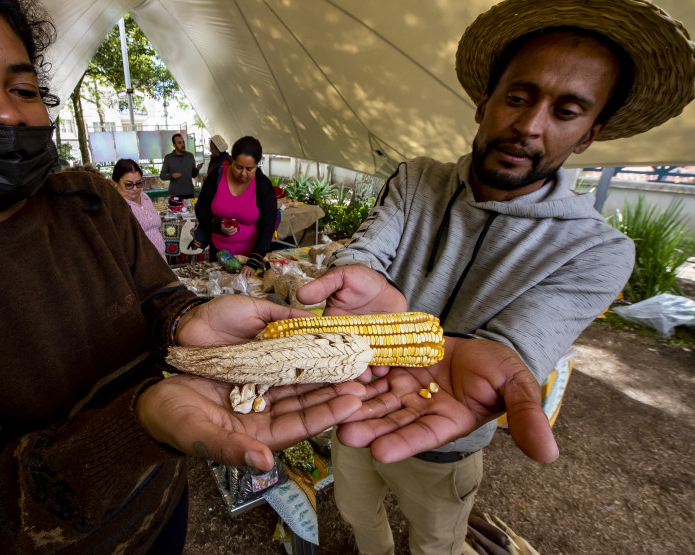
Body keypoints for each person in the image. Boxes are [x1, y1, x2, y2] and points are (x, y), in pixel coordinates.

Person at [0, 1, 371, 552]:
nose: (7, 112)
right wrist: (142, 424)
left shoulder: (87, 199)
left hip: (162, 510)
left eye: (23, 87)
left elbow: (156, 302)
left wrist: (189, 321)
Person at [295, 1, 695, 553]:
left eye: (568, 111)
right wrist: (356, 272)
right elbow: (368, 250)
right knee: (357, 516)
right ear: (483, 102)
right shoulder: (416, 181)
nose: (529, 126)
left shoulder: (598, 250)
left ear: (589, 134)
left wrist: (488, 356)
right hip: (354, 400)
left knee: (435, 543)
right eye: (518, 97)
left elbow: (518, 344)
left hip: (445, 434)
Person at [194, 136, 278, 279]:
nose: (243, 173)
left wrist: (254, 260)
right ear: (232, 161)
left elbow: (268, 225)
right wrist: (217, 225)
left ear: (257, 165)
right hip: (219, 254)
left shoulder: (263, 185)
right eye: (238, 167)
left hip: (249, 258)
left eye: (249, 169)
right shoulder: (217, 176)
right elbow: (201, 208)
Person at [112, 158, 165, 257]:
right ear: (116, 181)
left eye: (139, 183)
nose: (135, 188)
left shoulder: (145, 197)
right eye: (129, 184)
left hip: (160, 259)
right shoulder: (116, 205)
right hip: (140, 265)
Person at [160, 133, 203, 204]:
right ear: (174, 145)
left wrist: (197, 169)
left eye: (183, 142)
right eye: (179, 143)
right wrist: (171, 176)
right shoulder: (168, 158)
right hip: (175, 195)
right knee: (175, 214)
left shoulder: (190, 156)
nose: (183, 145)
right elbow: (162, 175)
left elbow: (193, 175)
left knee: (190, 214)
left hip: (189, 194)